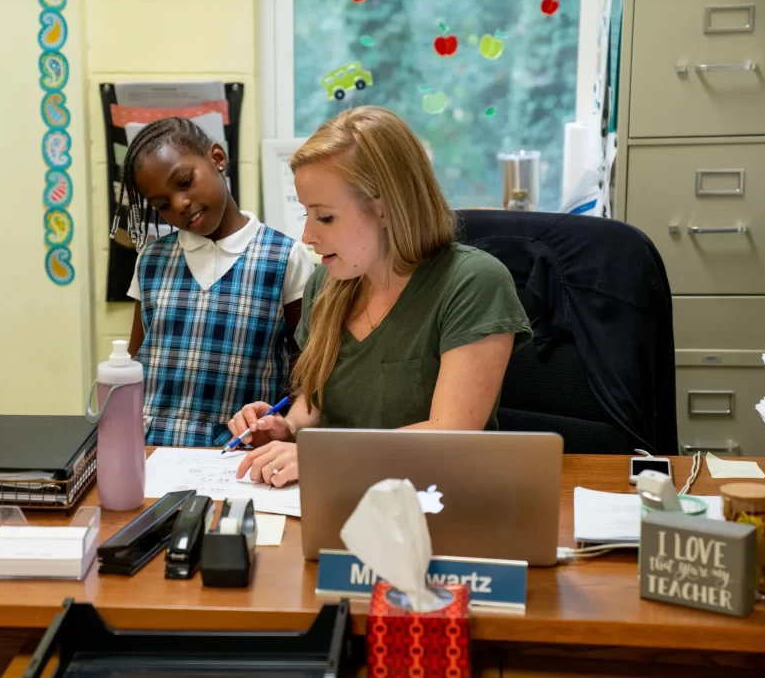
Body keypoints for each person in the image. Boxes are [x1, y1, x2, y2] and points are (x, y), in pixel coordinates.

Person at [230, 106, 532, 486]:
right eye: (306, 214)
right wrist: (285, 428)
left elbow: (452, 432)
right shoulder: (325, 283)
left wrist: (325, 457)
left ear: (386, 208)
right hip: (336, 493)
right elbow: (315, 404)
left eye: (324, 217)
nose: (307, 235)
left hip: (436, 497)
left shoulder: (473, 282)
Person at [117, 117, 315, 447]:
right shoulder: (150, 260)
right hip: (151, 450)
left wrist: (286, 429)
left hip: (240, 454)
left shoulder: (285, 257)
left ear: (217, 158)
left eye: (184, 182)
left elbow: (306, 372)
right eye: (162, 205)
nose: (179, 204)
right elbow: (136, 361)